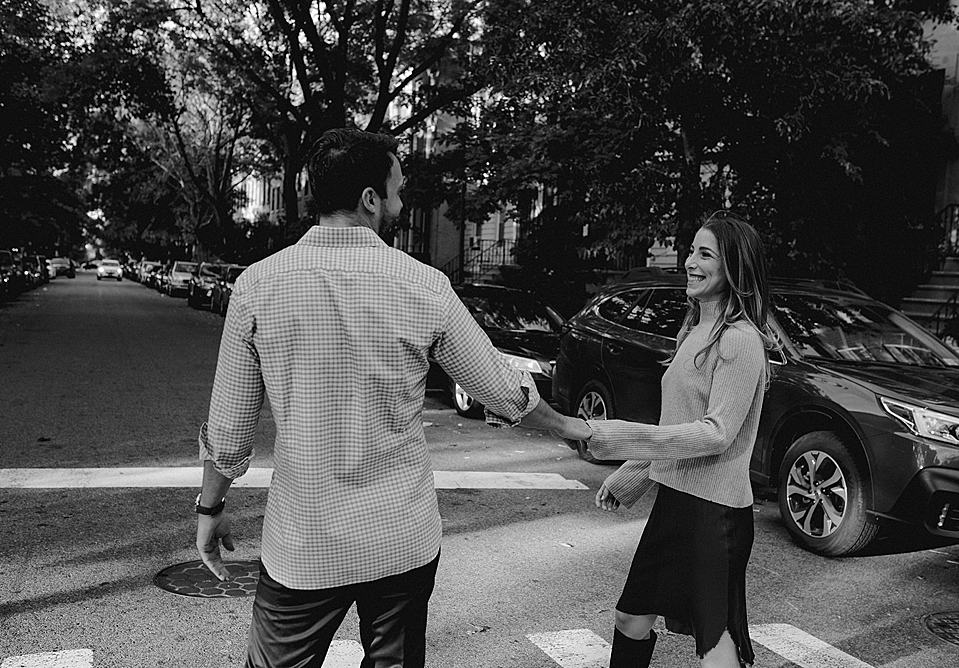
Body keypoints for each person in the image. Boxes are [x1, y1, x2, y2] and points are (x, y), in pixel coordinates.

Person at [194, 127, 584, 668]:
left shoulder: (257, 287)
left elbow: (230, 431)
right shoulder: (425, 285)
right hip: (400, 539)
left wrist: (210, 509)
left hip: (304, 543)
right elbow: (499, 388)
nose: (401, 202)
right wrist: (567, 427)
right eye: (398, 190)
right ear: (370, 200)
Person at [565, 211, 777, 668]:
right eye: (691, 251)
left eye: (706, 255)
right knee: (631, 618)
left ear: (734, 268)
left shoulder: (740, 340)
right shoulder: (694, 331)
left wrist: (611, 437)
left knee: (716, 648)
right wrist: (633, 476)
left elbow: (716, 434)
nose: (690, 262)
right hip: (676, 505)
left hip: (714, 515)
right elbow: (676, 424)